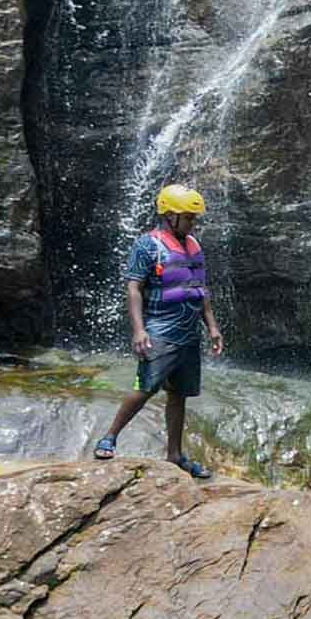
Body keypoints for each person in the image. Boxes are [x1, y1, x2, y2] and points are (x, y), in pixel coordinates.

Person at [92, 184, 225, 473]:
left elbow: (200, 289)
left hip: (189, 333)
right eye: (187, 217)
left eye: (194, 218)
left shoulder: (194, 247)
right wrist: (139, 330)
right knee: (146, 386)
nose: (192, 223)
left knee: (178, 394)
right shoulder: (147, 245)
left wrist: (212, 327)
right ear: (169, 216)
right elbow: (133, 289)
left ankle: (175, 455)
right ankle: (109, 437)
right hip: (160, 329)